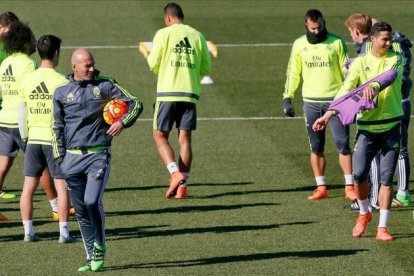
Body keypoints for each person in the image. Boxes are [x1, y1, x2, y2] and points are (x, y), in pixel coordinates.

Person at [52, 48, 142, 272]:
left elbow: (135, 103)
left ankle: (100, 244)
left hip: (98, 155)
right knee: (81, 211)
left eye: (93, 64)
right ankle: (91, 256)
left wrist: (122, 122)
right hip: (71, 160)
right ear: (75, 67)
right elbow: (57, 127)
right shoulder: (62, 93)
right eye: (87, 66)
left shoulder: (105, 85)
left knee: (92, 201)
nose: (92, 69)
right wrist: (60, 158)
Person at [313, 22, 403, 241]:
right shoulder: (361, 63)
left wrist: (373, 86)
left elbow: (389, 76)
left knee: (386, 179)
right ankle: (364, 213)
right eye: (385, 39)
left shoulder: (396, 57)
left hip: (391, 126)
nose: (389, 43)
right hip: (367, 129)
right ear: (372, 39)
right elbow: (346, 89)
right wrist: (329, 114)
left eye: (390, 38)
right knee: (358, 175)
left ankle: (383, 228)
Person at [282, 9, 355, 201]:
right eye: (313, 28)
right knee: (316, 146)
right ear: (306, 25)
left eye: (319, 27)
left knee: (343, 145)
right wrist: (287, 97)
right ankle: (321, 186)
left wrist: (348, 96)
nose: (316, 31)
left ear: (324, 22)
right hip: (311, 103)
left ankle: (349, 186)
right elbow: (294, 72)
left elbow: (347, 71)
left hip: (336, 102)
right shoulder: (299, 45)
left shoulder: (336, 42)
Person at [344, 13, 412, 212]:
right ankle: (403, 193)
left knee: (376, 158)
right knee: (401, 151)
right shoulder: (402, 45)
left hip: (386, 107)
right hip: (403, 101)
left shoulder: (371, 49)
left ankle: (373, 200)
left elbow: (381, 75)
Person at [147, 2, 211, 199]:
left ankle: (175, 173)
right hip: (190, 93)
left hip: (168, 92)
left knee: (159, 135)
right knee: (185, 139)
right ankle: (183, 187)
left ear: (168, 18)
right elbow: (205, 68)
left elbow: (153, 64)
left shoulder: (163, 34)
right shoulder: (198, 35)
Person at [18, 35, 75, 243]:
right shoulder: (62, 81)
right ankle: (64, 233)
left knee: (28, 188)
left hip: (32, 140)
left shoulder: (28, 80)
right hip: (55, 142)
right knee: (62, 187)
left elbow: (21, 113)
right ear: (57, 53)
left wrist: (25, 137)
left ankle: (28, 233)